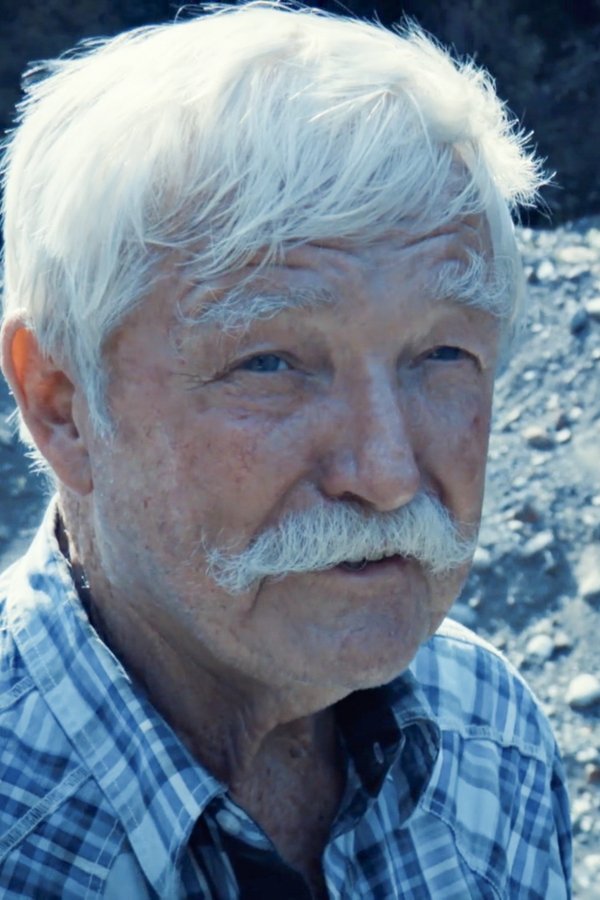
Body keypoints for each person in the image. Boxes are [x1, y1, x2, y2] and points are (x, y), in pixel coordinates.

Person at [0, 3, 571, 897]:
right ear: (61, 404)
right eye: (269, 364)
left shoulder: (491, 741)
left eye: (441, 355)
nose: (387, 475)